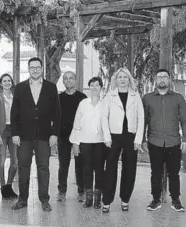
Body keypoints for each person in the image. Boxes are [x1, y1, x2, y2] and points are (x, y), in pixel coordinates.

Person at [11, 57, 61, 212]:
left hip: (44, 136)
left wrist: (55, 134)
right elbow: (14, 112)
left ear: (42, 69)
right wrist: (15, 133)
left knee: (43, 168)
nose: (35, 70)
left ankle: (44, 200)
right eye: (32, 67)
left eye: (37, 67)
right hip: (24, 136)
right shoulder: (19, 88)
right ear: (28, 69)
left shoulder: (51, 87)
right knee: (23, 168)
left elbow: (57, 113)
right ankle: (22, 199)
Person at [142, 69, 186, 212]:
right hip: (154, 141)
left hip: (173, 142)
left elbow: (185, 120)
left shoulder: (178, 98)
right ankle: (155, 200)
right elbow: (143, 120)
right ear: (155, 80)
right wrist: (142, 139)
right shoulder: (147, 98)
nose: (162, 79)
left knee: (174, 173)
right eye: (159, 77)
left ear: (169, 80)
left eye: (165, 77)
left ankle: (176, 200)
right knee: (155, 173)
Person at [100, 67, 144, 213]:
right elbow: (104, 117)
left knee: (130, 169)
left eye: (125, 77)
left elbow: (141, 118)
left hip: (130, 137)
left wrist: (138, 139)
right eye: (120, 77)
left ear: (129, 79)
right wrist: (106, 137)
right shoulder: (109, 96)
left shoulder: (135, 95)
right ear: (116, 80)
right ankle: (106, 201)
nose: (123, 80)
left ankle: (125, 199)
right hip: (113, 137)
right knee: (110, 169)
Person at [69, 77, 105, 208]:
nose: (94, 87)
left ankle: (98, 198)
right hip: (85, 141)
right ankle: (88, 197)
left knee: (100, 170)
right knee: (87, 170)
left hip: (101, 141)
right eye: (92, 85)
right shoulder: (83, 103)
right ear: (89, 87)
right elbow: (77, 123)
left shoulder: (105, 103)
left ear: (101, 87)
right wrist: (75, 142)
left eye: (97, 85)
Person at [57, 71, 87, 202]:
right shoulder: (59, 98)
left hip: (79, 137)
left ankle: (82, 191)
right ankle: (62, 191)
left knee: (80, 164)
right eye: (66, 79)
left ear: (75, 80)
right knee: (63, 164)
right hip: (63, 136)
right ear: (63, 81)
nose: (68, 80)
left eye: (71, 78)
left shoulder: (83, 97)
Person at [0, 73, 19, 199]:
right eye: (4, 81)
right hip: (1, 132)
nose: (7, 83)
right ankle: (3, 187)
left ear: (11, 83)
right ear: (1, 84)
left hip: (14, 131)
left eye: (9, 80)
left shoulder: (16, 97)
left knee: (15, 162)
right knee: (1, 161)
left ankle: (9, 186)